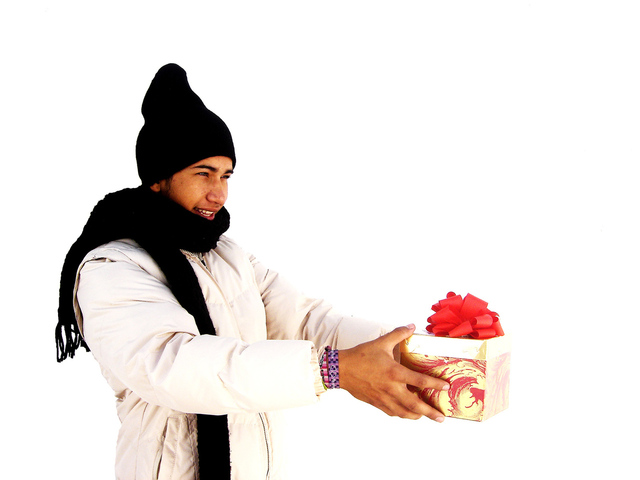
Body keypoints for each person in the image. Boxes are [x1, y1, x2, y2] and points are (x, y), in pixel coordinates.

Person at [55, 63, 449, 480]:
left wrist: (418, 352)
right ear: (158, 179)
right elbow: (175, 365)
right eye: (202, 173)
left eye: (226, 175)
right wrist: (333, 371)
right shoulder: (112, 267)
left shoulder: (226, 254)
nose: (219, 193)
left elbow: (307, 321)